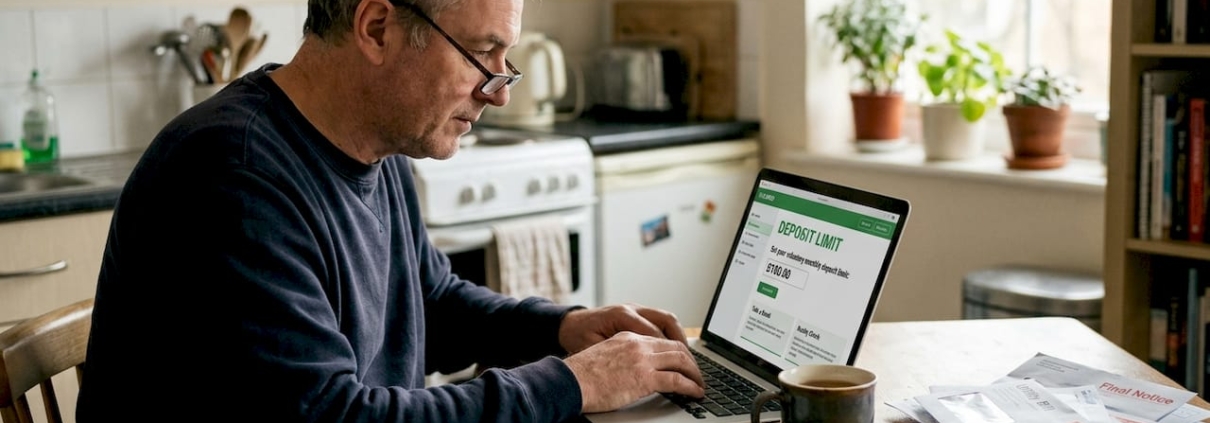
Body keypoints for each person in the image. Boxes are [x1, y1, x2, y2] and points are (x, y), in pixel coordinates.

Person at [75, 0, 705, 421]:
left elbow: (428, 301)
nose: (498, 93)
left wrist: (561, 328)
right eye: (481, 54)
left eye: (503, 60)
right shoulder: (234, 176)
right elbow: (334, 416)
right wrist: (572, 383)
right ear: (377, 28)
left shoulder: (375, 141)